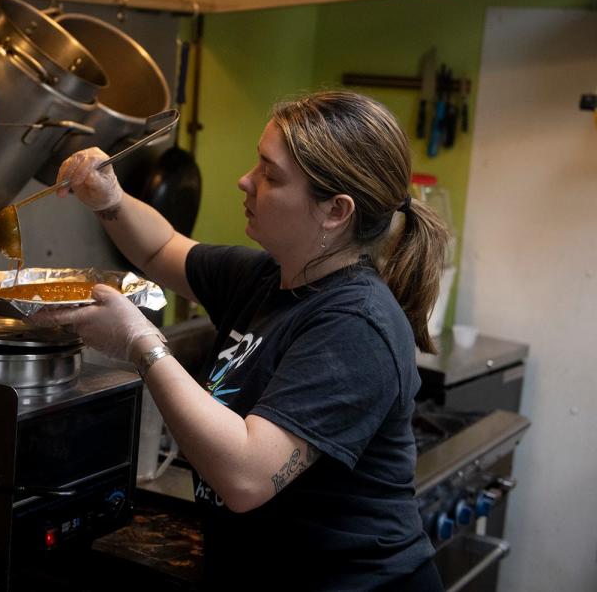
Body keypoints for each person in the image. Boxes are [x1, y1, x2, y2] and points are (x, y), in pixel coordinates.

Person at [33, 91, 449, 590]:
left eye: (271, 176)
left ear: (336, 211)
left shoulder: (356, 324)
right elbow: (164, 247)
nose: (246, 181)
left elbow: (247, 479)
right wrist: (111, 200)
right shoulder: (268, 278)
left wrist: (141, 343)